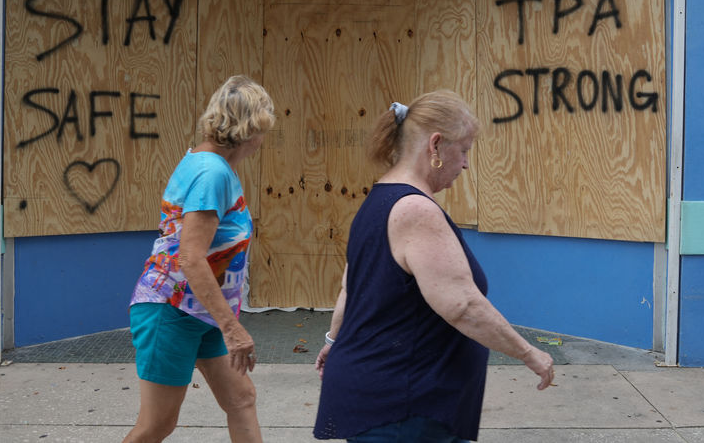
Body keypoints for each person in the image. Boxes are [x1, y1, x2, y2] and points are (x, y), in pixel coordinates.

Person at [313, 90, 555, 443]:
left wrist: (335, 341)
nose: (466, 163)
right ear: (436, 145)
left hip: (390, 402)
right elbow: (463, 306)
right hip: (405, 409)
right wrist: (530, 353)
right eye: (465, 149)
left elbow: (352, 289)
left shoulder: (379, 199)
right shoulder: (416, 211)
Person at [122, 75, 275, 443]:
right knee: (157, 424)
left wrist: (223, 322)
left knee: (241, 399)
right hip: (171, 310)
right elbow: (190, 258)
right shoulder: (212, 173)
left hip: (202, 312)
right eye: (264, 127)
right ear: (251, 130)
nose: (264, 139)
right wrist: (233, 328)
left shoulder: (209, 163)